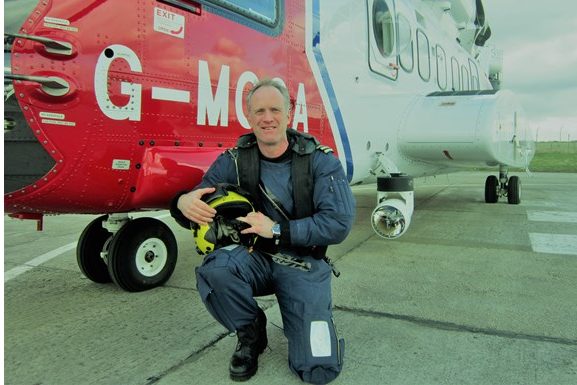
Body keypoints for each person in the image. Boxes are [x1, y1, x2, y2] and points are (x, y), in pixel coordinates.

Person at [170, 78, 355, 384]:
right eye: (259, 111)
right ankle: (251, 332)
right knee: (216, 270)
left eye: (274, 109)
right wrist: (182, 201)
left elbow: (338, 224)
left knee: (318, 370)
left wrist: (278, 230)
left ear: (288, 113)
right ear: (249, 116)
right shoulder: (234, 160)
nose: (267, 118)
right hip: (255, 257)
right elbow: (198, 196)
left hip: (302, 261)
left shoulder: (320, 161)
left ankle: (309, 322)